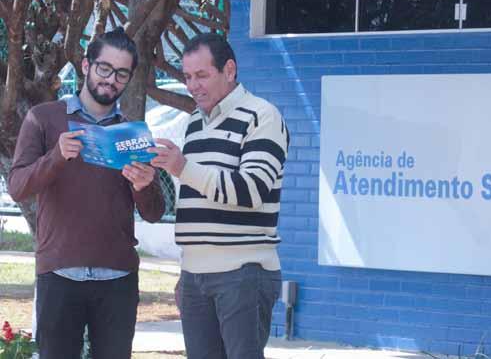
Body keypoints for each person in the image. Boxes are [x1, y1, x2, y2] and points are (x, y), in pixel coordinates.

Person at [8, 27, 165, 359]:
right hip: (59, 272)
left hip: (118, 275)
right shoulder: (44, 119)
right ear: (86, 65)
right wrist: (55, 157)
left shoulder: (133, 132)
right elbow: (18, 187)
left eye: (121, 74)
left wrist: (143, 185)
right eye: (104, 68)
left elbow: (154, 212)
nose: (111, 80)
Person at [149, 33, 289, 359]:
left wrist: (183, 167)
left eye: (202, 75)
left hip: (243, 273)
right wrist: (187, 272)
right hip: (195, 277)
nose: (193, 85)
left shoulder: (262, 116)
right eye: (187, 77)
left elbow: (252, 190)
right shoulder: (194, 124)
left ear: (229, 70)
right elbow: (196, 200)